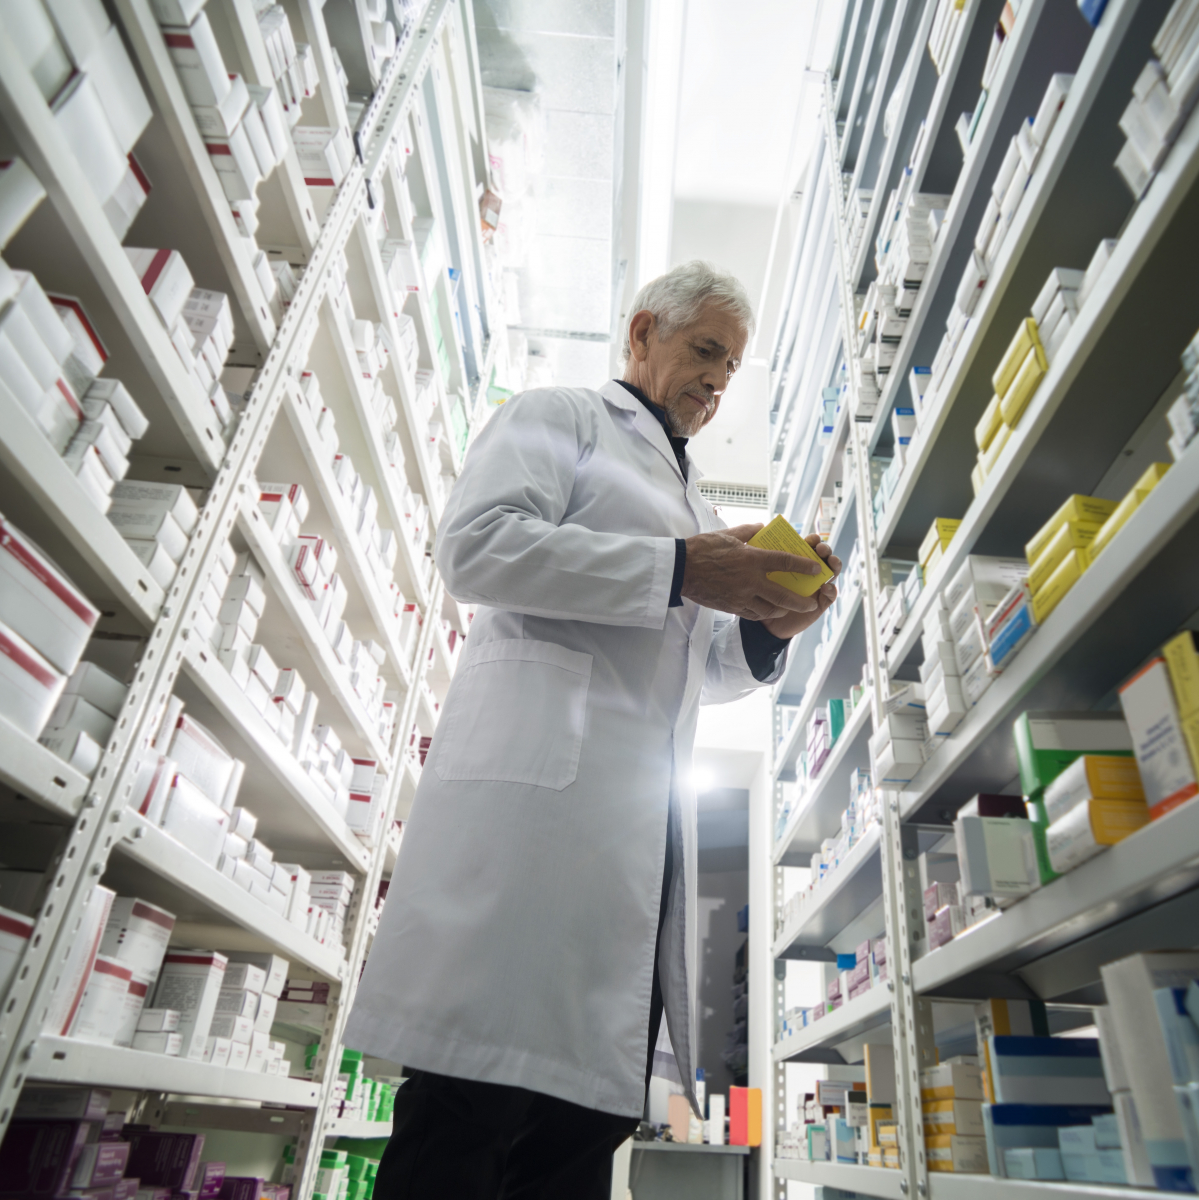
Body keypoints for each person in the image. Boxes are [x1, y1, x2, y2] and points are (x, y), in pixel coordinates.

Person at [348, 261, 844, 1198]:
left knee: (581, 1132)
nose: (716, 380)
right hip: (531, 831)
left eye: (732, 368)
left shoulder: (698, 512)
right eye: (705, 351)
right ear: (643, 332)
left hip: (631, 845)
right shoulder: (561, 419)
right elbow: (476, 546)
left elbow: (708, 668)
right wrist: (676, 570)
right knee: (468, 1111)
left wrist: (768, 626)